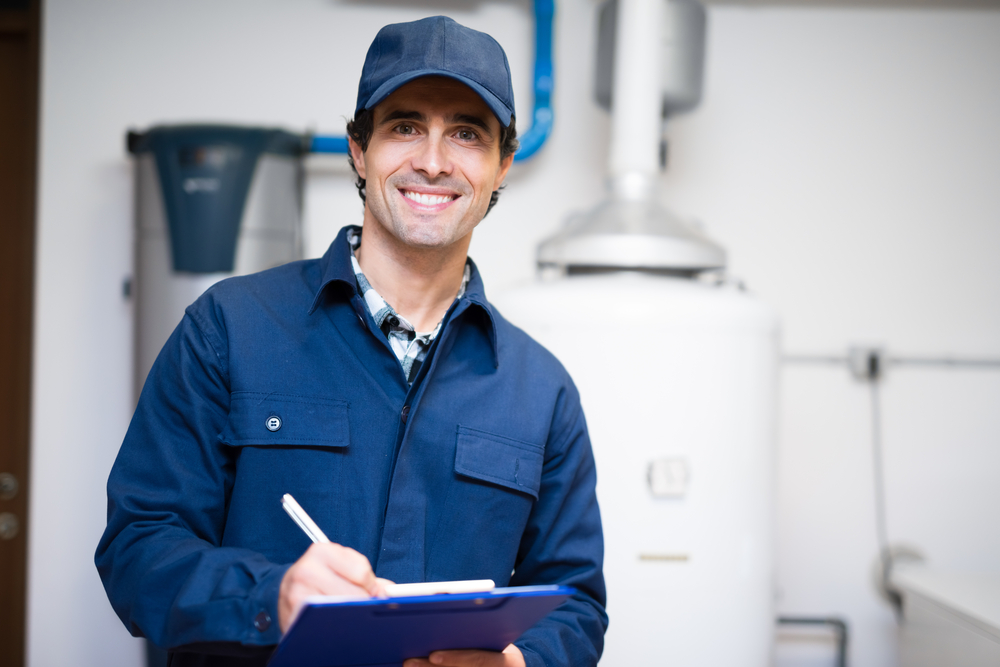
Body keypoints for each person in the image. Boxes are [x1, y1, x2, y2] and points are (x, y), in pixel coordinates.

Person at [96, 15, 606, 667]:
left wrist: (518, 661)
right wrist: (271, 595)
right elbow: (137, 548)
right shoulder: (229, 328)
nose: (432, 159)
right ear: (358, 149)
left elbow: (577, 604)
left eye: (467, 133)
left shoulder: (543, 390)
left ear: (503, 163)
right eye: (404, 126)